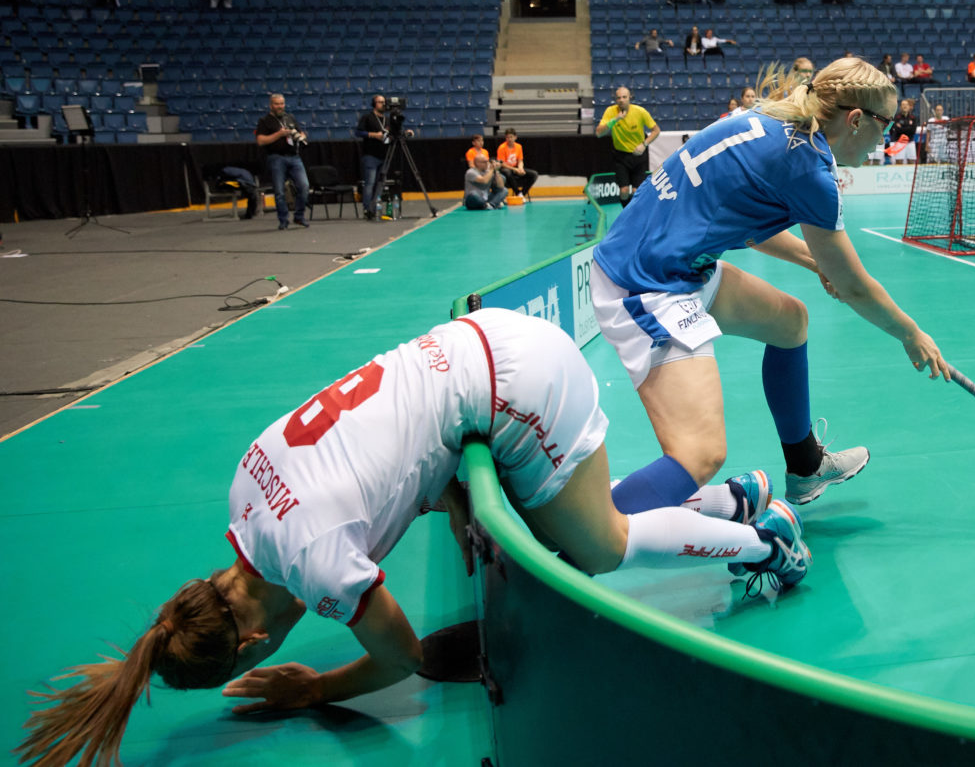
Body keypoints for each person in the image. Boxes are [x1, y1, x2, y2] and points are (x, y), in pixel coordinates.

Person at [16, 308, 811, 767]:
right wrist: (455, 485)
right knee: (554, 528)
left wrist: (315, 689)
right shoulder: (245, 484)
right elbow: (369, 453)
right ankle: (728, 501)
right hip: (472, 344)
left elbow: (405, 658)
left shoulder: (317, 564)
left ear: (256, 640)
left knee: (595, 548)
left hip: (517, 382)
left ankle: (767, 541)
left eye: (262, 658)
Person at [588, 57, 950, 521]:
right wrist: (910, 334)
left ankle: (806, 466)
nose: (887, 136)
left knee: (788, 320)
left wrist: (813, 261)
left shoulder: (772, 119)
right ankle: (581, 536)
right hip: (646, 284)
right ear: (857, 120)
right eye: (886, 125)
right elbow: (855, 287)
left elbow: (749, 223)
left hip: (670, 257)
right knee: (699, 455)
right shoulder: (810, 168)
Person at [595, 86, 659, 208]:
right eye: (618, 97)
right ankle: (626, 212)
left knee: (637, 192)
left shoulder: (640, 111)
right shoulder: (610, 111)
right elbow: (599, 133)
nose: (621, 100)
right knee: (624, 191)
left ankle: (636, 214)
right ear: (616, 99)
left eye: (624, 97)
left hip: (639, 156)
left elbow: (656, 130)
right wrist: (615, 119)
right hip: (620, 156)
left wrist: (644, 144)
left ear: (630, 98)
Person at [255, 94, 310, 230]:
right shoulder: (264, 121)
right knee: (279, 191)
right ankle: (283, 220)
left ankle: (299, 216)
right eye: (276, 104)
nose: (280, 106)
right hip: (276, 158)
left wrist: (301, 136)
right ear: (271, 105)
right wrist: (279, 134)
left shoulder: (289, 117)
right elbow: (260, 141)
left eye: (282, 104)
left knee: (304, 187)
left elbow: (301, 132)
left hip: (294, 157)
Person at [494, 128, 537, 200]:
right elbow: (502, 164)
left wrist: (520, 168)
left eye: (511, 137)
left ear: (515, 137)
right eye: (507, 137)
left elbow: (520, 160)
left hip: (515, 168)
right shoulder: (502, 148)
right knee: (507, 172)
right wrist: (515, 169)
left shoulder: (519, 146)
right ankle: (517, 192)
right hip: (506, 169)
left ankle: (522, 194)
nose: (509, 139)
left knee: (534, 174)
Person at [886, 97, 918, 165]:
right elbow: (896, 130)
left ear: (909, 107)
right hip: (899, 142)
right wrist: (908, 127)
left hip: (910, 142)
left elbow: (913, 131)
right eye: (903, 105)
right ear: (900, 107)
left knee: (911, 161)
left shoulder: (913, 118)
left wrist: (902, 128)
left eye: (906, 105)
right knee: (899, 162)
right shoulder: (896, 117)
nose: (905, 106)